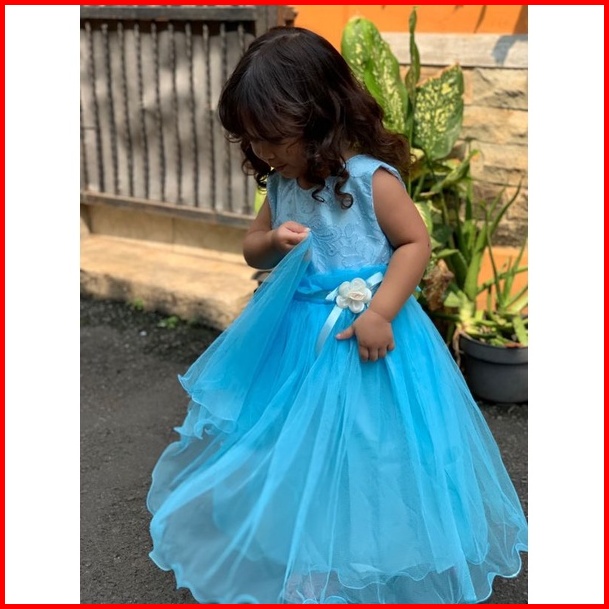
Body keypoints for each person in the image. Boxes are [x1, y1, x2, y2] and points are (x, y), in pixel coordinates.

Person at [147, 26, 528, 604]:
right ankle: (307, 549)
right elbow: (252, 249)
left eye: (273, 138)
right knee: (298, 443)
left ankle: (376, 554)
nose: (264, 152)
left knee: (371, 446)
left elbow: (414, 244)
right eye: (253, 140)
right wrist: (272, 239)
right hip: (297, 337)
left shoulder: (372, 180)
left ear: (318, 117)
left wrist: (381, 311)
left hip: (369, 336)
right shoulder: (281, 183)